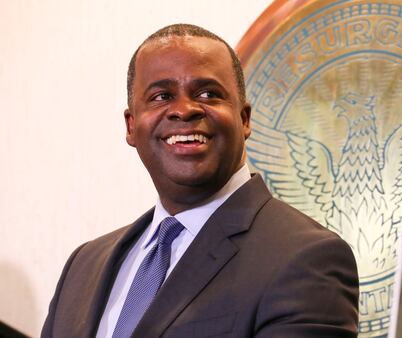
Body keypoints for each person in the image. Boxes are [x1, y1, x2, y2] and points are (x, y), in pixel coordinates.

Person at [42, 24, 359, 338]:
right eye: (161, 95)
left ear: (244, 119)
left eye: (208, 93)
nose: (183, 110)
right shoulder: (82, 266)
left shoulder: (306, 257)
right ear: (131, 125)